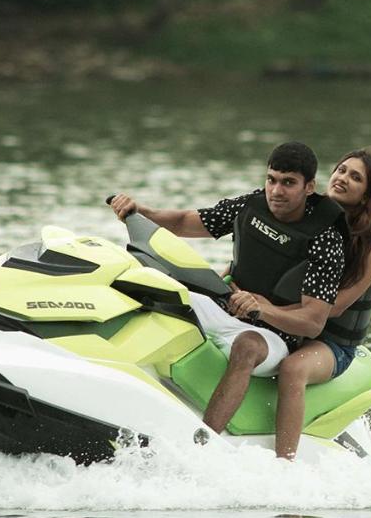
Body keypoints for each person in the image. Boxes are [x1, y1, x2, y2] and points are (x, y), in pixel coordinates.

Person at [108, 142, 347, 441]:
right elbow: (185, 222)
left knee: (246, 346)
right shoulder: (251, 205)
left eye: (288, 183)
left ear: (309, 187)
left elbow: (313, 322)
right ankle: (113, 384)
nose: (276, 191)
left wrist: (262, 309)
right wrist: (141, 211)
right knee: (151, 288)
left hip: (273, 336)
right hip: (223, 310)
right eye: (271, 179)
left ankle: (205, 444)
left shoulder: (325, 240)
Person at [232, 148, 371, 459]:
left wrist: (267, 310)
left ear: (369, 192)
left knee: (293, 369)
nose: (343, 178)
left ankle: (285, 463)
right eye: (341, 170)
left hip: (331, 341)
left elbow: (335, 307)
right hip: (291, 325)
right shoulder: (309, 218)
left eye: (356, 177)